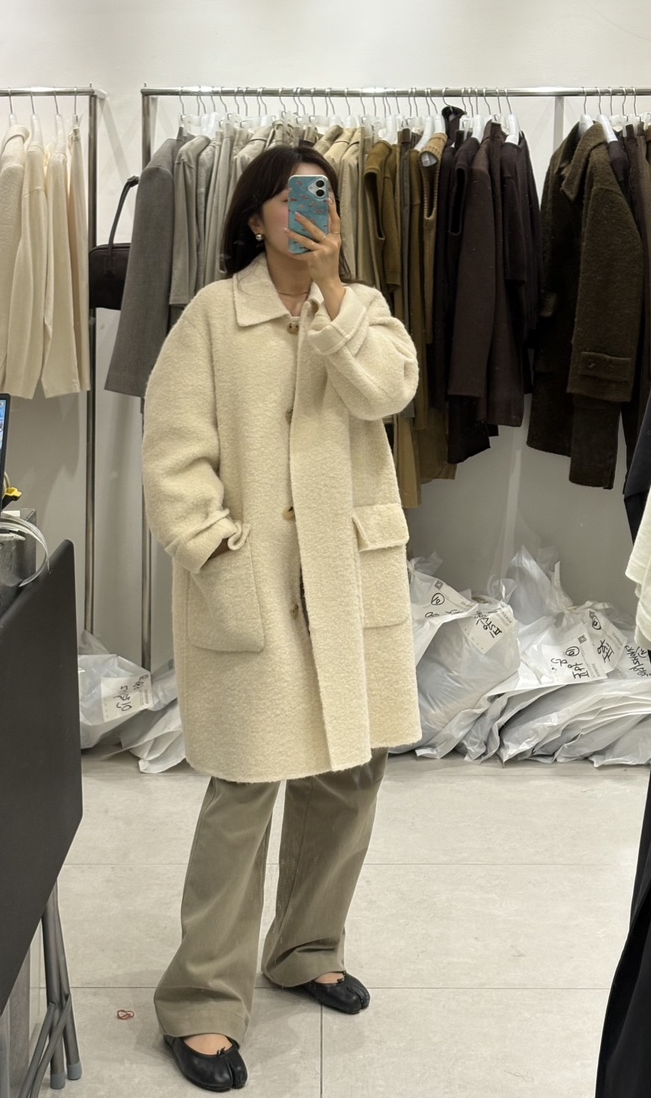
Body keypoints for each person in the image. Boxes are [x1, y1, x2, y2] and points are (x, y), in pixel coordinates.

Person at [142, 143, 421, 1092]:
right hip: (253, 581)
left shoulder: (364, 308)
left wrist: (331, 294)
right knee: (244, 790)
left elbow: (388, 392)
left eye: (324, 197)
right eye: (294, 197)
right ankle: (200, 999)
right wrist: (214, 548)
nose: (311, 210)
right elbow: (172, 456)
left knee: (349, 773)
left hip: (346, 581)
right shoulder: (212, 317)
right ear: (256, 216)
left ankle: (305, 947)